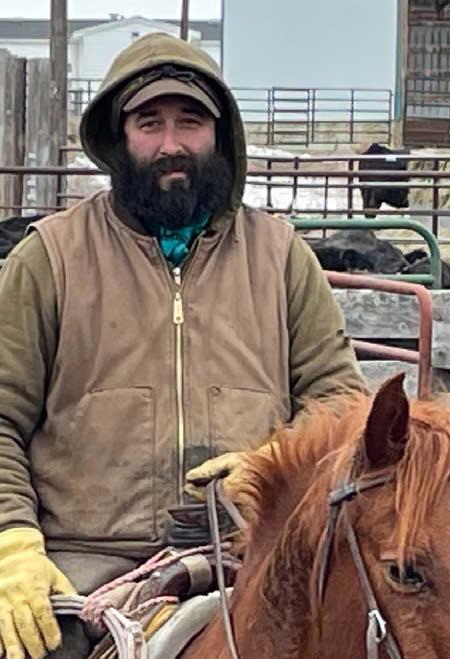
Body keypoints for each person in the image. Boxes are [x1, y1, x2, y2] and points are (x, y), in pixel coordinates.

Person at [0, 33, 365, 659]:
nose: (171, 144)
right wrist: (13, 543)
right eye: (150, 123)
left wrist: (270, 463)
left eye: (190, 122)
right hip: (86, 558)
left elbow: (340, 402)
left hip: (253, 547)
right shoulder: (50, 258)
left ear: (220, 135)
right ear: (119, 138)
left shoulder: (280, 257)